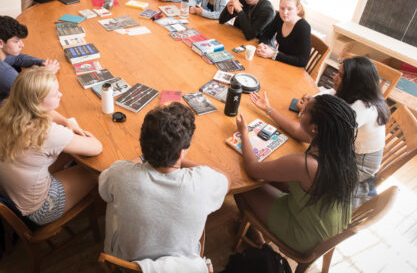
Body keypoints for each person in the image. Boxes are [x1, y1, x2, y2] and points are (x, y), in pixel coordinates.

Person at [99, 102, 229, 261]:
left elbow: (103, 190)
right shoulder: (202, 181)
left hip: (130, 269)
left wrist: (144, 157)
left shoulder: (119, 173)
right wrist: (181, 158)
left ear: (143, 145)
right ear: (181, 152)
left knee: (113, 197)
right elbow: (225, 179)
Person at [254, 56, 390, 207]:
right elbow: (319, 98)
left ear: (353, 83)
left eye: (340, 75)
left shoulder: (360, 108)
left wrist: (270, 110)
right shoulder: (350, 94)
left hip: (356, 165)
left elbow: (301, 132)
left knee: (282, 170)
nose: (334, 76)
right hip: (344, 151)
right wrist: (309, 107)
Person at [235, 95, 358, 253]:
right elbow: (295, 130)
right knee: (269, 176)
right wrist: (268, 109)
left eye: (305, 111)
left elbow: (252, 168)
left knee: (243, 186)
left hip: (305, 234)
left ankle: (257, 238)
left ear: (315, 128)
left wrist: (244, 133)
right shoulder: (336, 143)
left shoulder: (305, 164)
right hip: (328, 223)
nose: (301, 110)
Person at [0, 67, 102, 225]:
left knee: (68, 153)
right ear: (37, 102)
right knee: (97, 171)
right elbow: (96, 147)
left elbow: (45, 113)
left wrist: (66, 122)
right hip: (38, 209)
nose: (60, 95)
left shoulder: (9, 112)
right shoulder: (46, 132)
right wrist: (85, 134)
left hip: (7, 192)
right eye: (55, 93)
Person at [0, 15, 59, 131]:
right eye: (16, 41)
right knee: (50, 121)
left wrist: (41, 62)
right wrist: (47, 73)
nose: (22, 45)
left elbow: (17, 58)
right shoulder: (0, 71)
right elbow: (34, 94)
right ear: (0, 43)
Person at [256, 0, 311, 68]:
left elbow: (302, 61)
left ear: (298, 9)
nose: (285, 13)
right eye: (282, 8)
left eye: (289, 9)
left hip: (294, 68)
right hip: (279, 62)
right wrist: (263, 45)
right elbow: (266, 36)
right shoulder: (279, 17)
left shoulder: (304, 27)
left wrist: (273, 54)